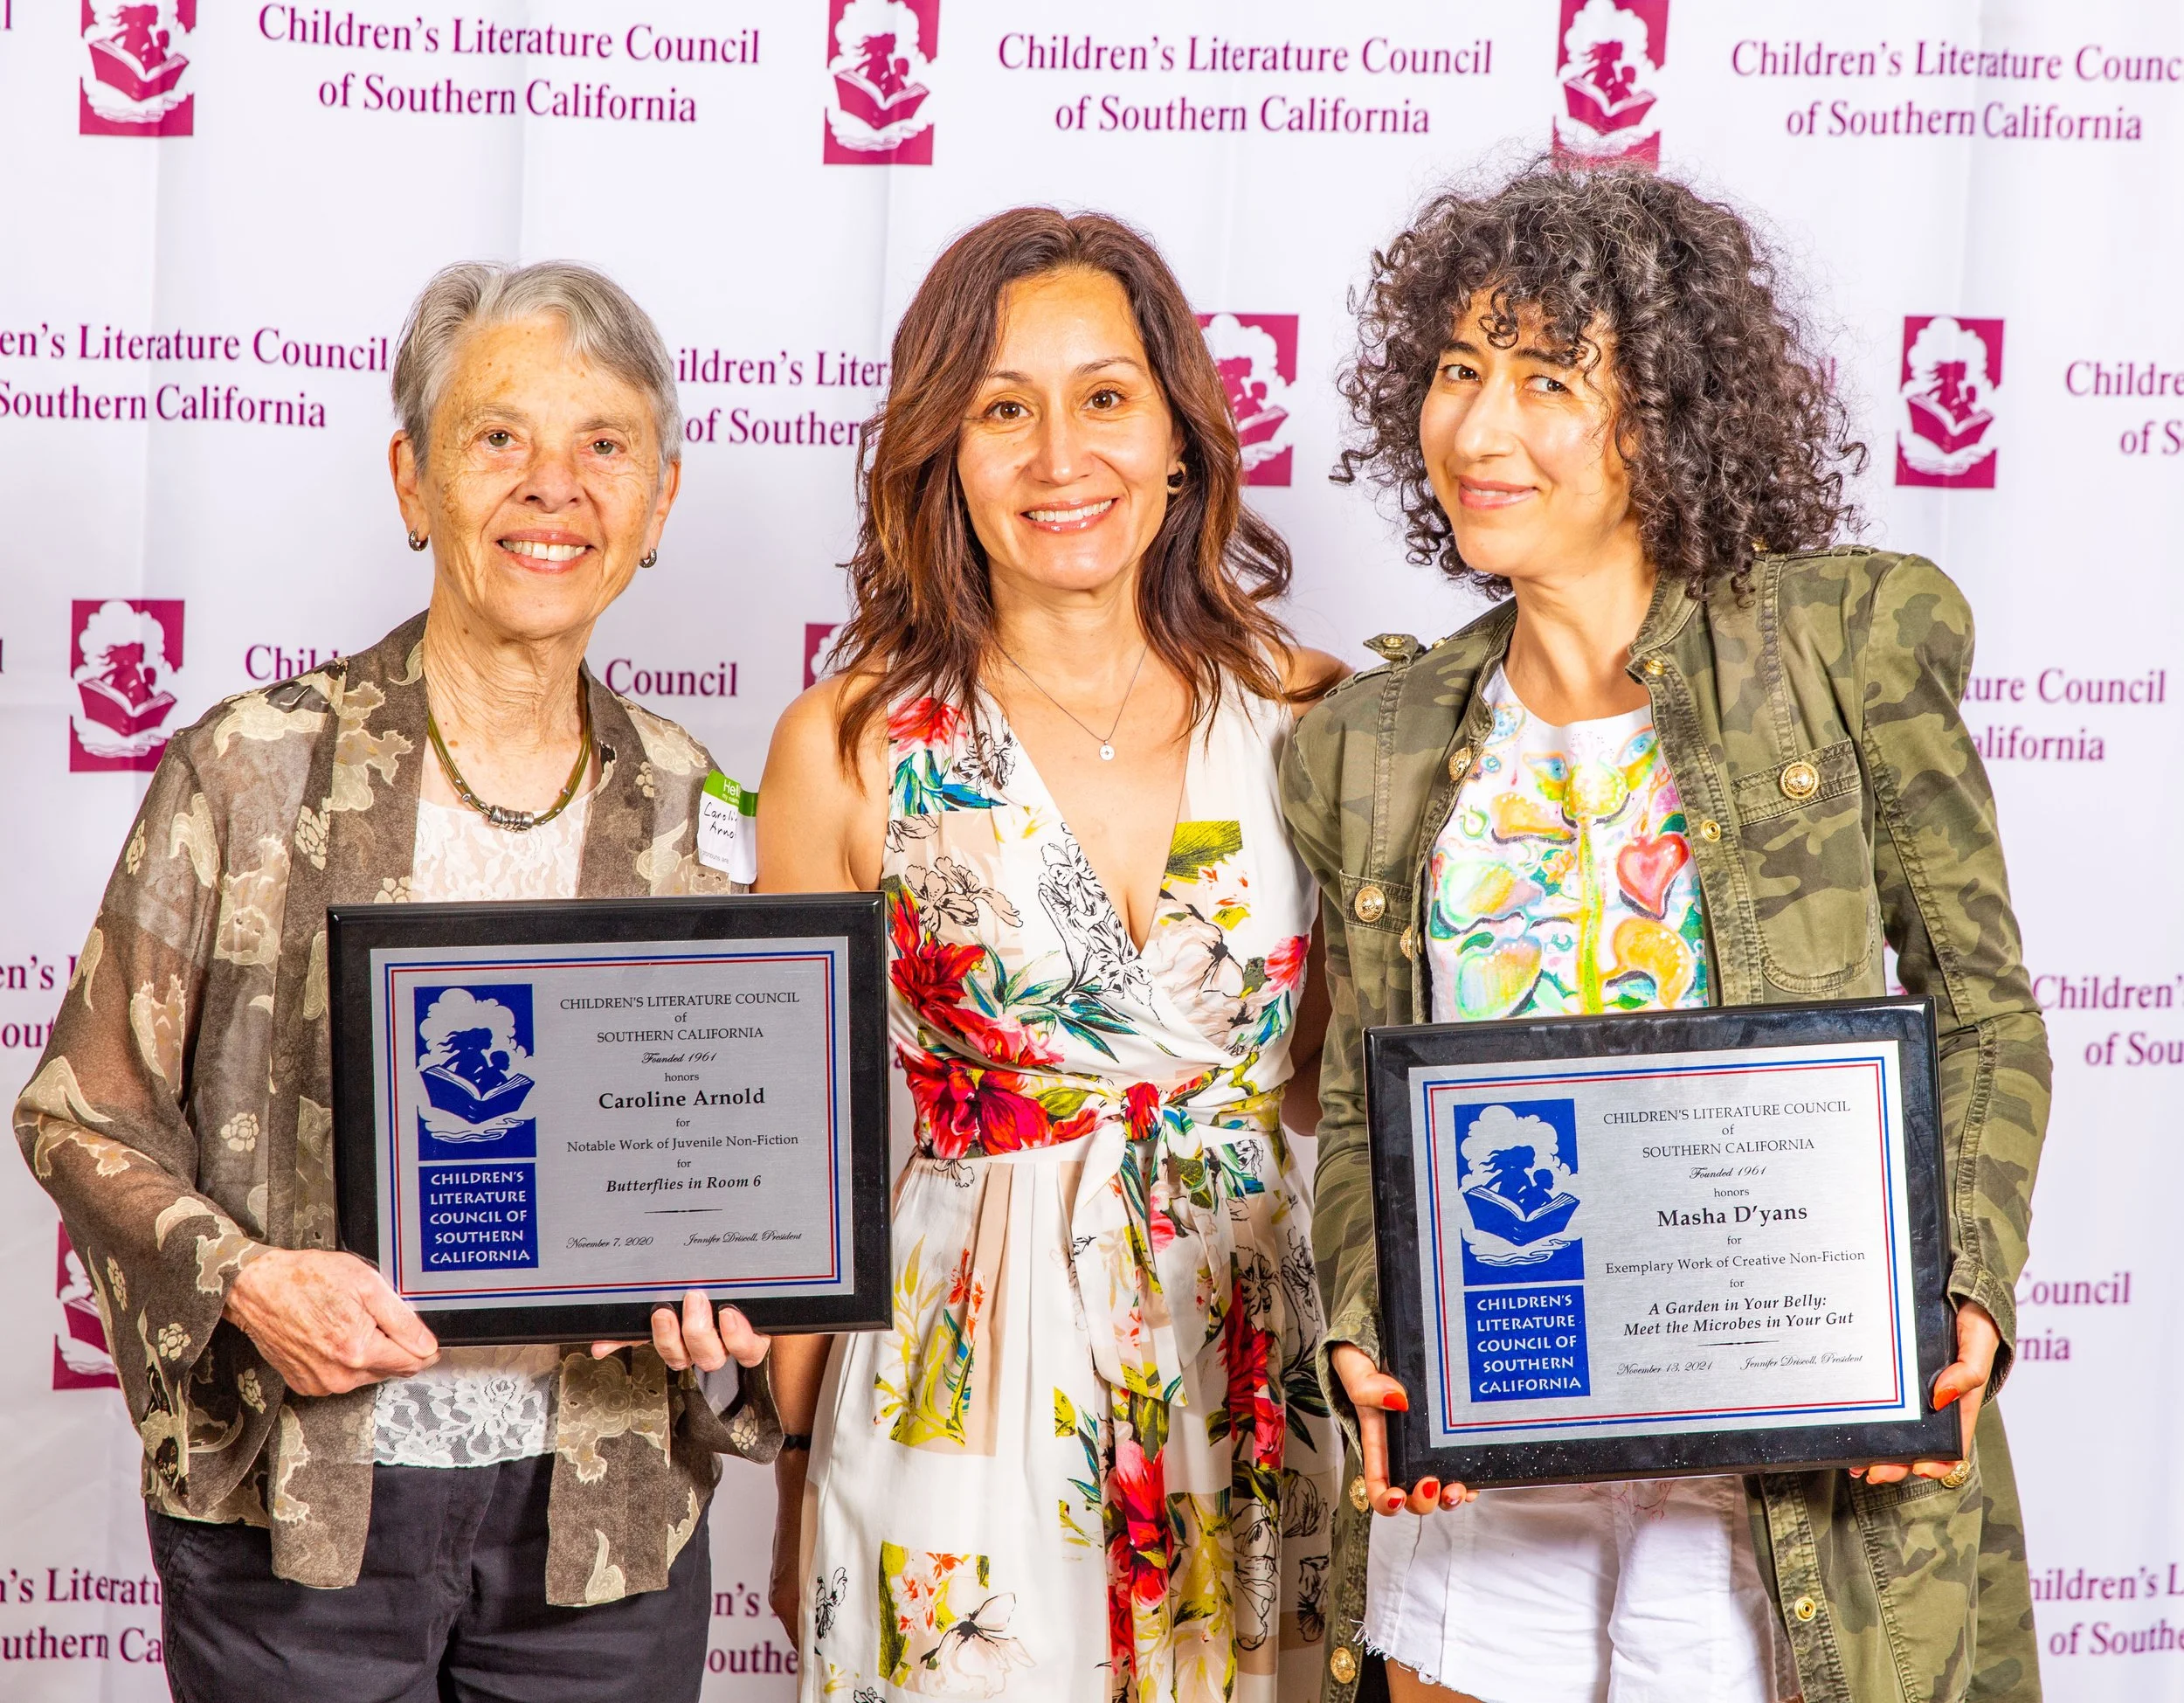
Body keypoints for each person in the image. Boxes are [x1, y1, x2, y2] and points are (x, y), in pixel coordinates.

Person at [1281, 163, 2050, 1703]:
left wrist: (1963, 1292)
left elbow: (1980, 1005)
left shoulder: (1842, 647)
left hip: (1781, 1465)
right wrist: (1367, 1335)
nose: (1480, 430)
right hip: (1497, 1459)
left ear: (1668, 414)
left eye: (1549, 380)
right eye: (1455, 372)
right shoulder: (1368, 743)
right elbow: (1371, 1112)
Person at [14, 260, 780, 1703]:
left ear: (660, 503)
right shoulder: (249, 767)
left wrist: (734, 1297)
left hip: (602, 1520)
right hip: (302, 1516)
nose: (552, 488)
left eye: (603, 447)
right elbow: (76, 1117)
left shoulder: (700, 810)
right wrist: (250, 1283)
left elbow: (734, 1156)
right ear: (413, 481)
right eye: (498, 440)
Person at [759, 208, 1346, 1700]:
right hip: (960, 1386)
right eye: (1000, 410)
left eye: (1104, 398)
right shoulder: (851, 745)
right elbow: (784, 1148)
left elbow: (1358, 1092)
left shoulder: (1318, 720)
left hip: (1255, 1357)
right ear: (942, 454)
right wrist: (789, 1455)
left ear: (1180, 436)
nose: (1057, 456)